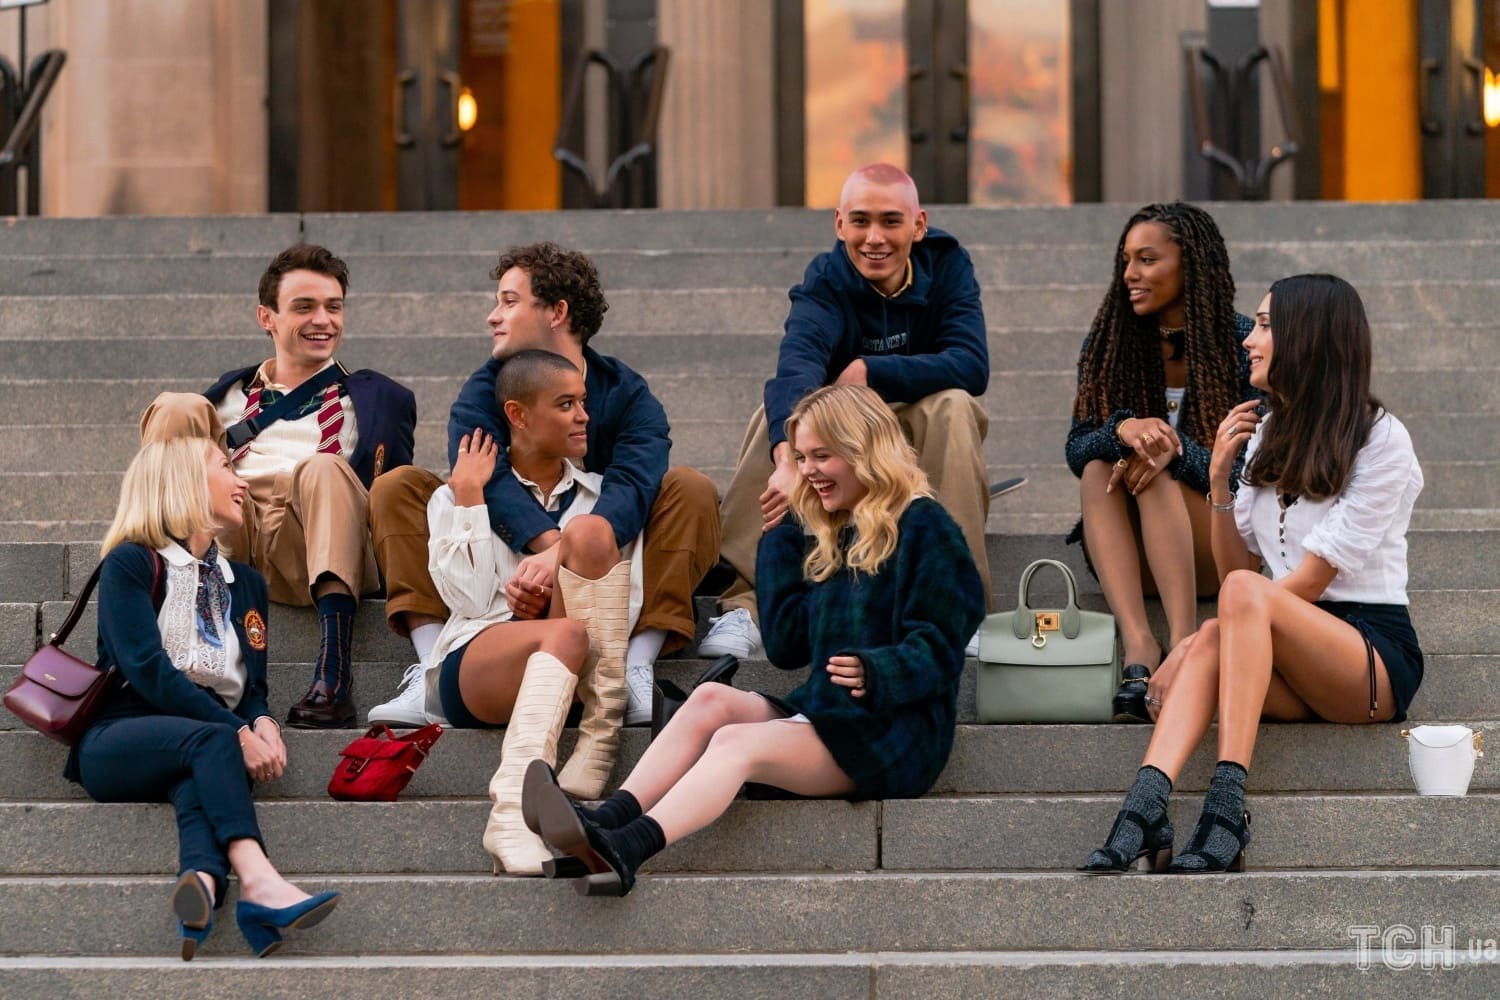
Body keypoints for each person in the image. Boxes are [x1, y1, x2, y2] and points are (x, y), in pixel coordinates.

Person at [524, 384, 986, 896]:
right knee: (710, 699)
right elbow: (786, 646)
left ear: (864, 449)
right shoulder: (839, 530)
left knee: (735, 741)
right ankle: (607, 820)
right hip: (831, 715)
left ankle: (627, 849)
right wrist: (780, 531)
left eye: (822, 456)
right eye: (802, 458)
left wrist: (880, 671)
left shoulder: (926, 526)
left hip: (894, 734)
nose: (808, 471)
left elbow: (943, 644)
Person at [1080, 274, 1424, 875]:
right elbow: (1237, 568)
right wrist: (1218, 480)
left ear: (1307, 337)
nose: (1248, 340)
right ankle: (1146, 805)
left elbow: (1305, 583)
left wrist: (1198, 638)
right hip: (1282, 649)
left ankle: (1225, 806)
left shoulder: (1381, 440)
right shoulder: (1266, 432)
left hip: (1367, 657)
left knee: (1228, 615)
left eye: (1264, 326)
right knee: (1232, 610)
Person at [367, 242, 721, 741]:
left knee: (691, 489)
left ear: (557, 312)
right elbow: (485, 474)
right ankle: (428, 667)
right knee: (398, 487)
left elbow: (634, 484)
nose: (493, 316)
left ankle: (636, 664)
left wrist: (569, 552)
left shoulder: (627, 393)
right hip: (501, 578)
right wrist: (554, 548)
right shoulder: (486, 389)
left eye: (509, 301)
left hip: (608, 549)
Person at [703, 162, 991, 661]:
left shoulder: (947, 266)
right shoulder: (826, 279)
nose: (874, 238)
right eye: (860, 221)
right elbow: (796, 365)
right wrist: (788, 461)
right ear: (840, 224)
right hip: (843, 433)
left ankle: (956, 607)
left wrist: (871, 371)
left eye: (890, 221)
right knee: (777, 417)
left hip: (917, 422)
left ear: (918, 225)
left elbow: (971, 364)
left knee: (955, 406)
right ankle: (747, 604)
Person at [68, 438, 340, 959]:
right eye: (226, 467)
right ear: (186, 481)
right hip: (119, 736)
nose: (242, 481)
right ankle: (259, 881)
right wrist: (237, 731)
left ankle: (204, 881)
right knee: (217, 742)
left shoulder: (247, 584)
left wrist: (263, 722)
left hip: (200, 743)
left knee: (203, 773)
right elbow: (146, 670)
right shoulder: (130, 563)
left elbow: (251, 689)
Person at [138, 243, 418, 729]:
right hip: (231, 534)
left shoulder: (382, 399)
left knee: (323, 468)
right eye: (304, 307)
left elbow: (390, 496)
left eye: (333, 307)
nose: (323, 320)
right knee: (177, 406)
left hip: (312, 540)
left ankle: (333, 673)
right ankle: (168, 597)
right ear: (266, 317)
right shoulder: (226, 396)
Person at [421, 350, 644, 875]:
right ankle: (511, 815)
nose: (583, 416)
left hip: (578, 667)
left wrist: (556, 567)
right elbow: (470, 601)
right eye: (565, 405)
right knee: (564, 634)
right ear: (518, 415)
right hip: (478, 665)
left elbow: (619, 609)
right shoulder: (453, 496)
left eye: (583, 402)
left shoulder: (601, 501)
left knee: (586, 543)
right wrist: (471, 496)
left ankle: (597, 733)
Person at [1065, 202, 1257, 723]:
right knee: (1100, 466)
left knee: (1155, 464)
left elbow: (1254, 473)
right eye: (1126, 260)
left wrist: (1176, 450)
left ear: (1190, 264)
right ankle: (1140, 643)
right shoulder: (1112, 342)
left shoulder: (1243, 345)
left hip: (1218, 550)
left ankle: (1184, 641)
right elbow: (1077, 447)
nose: (1130, 273)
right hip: (1131, 558)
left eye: (1147, 260)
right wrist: (1121, 429)